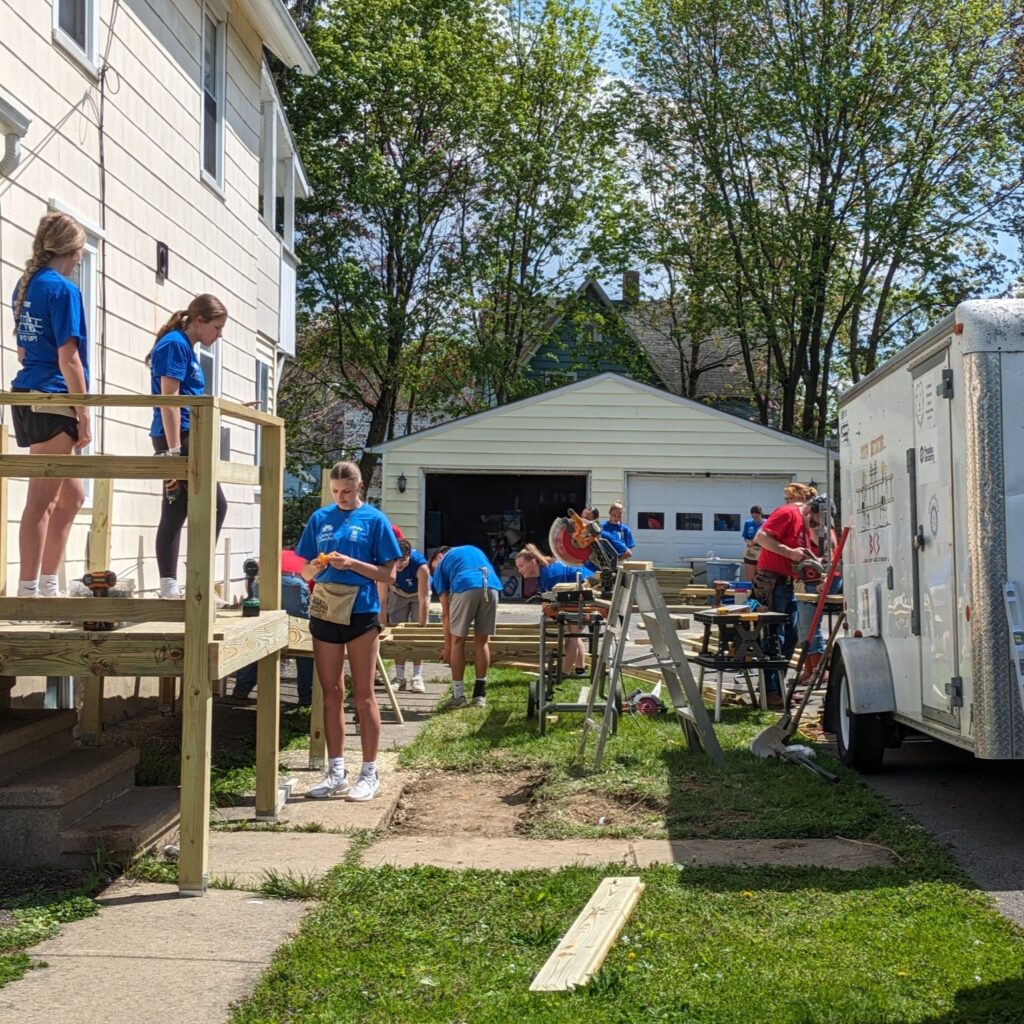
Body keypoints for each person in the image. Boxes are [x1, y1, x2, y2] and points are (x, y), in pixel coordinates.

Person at [295, 460, 401, 801]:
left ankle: (369, 772)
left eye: (347, 491)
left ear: (359, 489)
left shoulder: (374, 519)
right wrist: (319, 564)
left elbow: (389, 575)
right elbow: (304, 568)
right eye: (336, 492)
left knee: (364, 693)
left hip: (361, 610)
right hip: (326, 606)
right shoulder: (320, 518)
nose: (341, 497)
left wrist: (352, 563)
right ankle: (335, 770)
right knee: (330, 691)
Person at [11, 212, 90, 599]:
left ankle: (47, 584)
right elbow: (69, 358)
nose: (81, 259)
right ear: (73, 251)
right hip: (54, 399)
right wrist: (84, 410)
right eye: (81, 251)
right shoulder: (63, 289)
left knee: (73, 496)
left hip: (29, 394)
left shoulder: (27, 286)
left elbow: (24, 349)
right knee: (41, 501)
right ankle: (29, 593)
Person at [147, 295, 229, 599]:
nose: (219, 335)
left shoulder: (188, 348)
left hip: (188, 434)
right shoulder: (174, 344)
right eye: (217, 328)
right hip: (177, 437)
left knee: (180, 508)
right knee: (211, 506)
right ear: (199, 321)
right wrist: (172, 452)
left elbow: (191, 396)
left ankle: (182, 582)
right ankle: (186, 582)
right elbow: (169, 401)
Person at [752, 490, 820, 707]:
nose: (815, 527)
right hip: (771, 582)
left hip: (785, 583)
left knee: (790, 637)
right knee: (775, 637)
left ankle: (779, 690)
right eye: (816, 522)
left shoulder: (804, 522)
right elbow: (761, 537)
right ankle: (770, 691)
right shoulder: (788, 513)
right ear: (810, 509)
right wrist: (791, 554)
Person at [232, 549, 314, 704]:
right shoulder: (307, 558)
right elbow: (313, 589)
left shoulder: (273, 552)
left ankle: (241, 690)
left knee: (258, 635)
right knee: (304, 642)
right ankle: (306, 697)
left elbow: (250, 583)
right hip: (294, 583)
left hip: (263, 580)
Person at [430, 545, 502, 708]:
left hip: (465, 586)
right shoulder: (472, 551)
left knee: (458, 641)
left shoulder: (441, 565)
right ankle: (479, 696)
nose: (434, 571)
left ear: (439, 557)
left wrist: (447, 646)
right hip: (491, 586)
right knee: (482, 641)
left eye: (433, 565)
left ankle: (458, 696)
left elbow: (446, 613)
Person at [514, 544, 594, 677]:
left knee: (570, 635)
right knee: (574, 632)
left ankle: (564, 672)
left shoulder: (550, 577)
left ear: (533, 562)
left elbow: (557, 602)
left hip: (586, 592)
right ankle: (579, 669)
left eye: (521, 566)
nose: (519, 570)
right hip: (581, 593)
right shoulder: (545, 574)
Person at [796, 493, 842, 685]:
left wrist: (818, 567)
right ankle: (808, 670)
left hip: (821, 581)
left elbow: (830, 559)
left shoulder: (821, 530)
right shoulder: (814, 528)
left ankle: (818, 671)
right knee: (803, 627)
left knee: (809, 626)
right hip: (811, 580)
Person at [378, 538, 430, 692]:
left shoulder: (421, 567)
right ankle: (399, 676)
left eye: (403, 561)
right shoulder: (385, 565)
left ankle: (417, 676)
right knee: (397, 634)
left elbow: (424, 598)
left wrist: (422, 625)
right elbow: (382, 599)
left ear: (409, 556)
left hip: (417, 593)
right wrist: (383, 625)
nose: (399, 565)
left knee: (417, 634)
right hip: (397, 593)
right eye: (396, 561)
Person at [741, 505, 765, 582]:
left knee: (761, 575)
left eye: (756, 513)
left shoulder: (766, 523)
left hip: (763, 550)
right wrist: (749, 542)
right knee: (750, 577)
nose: (754, 515)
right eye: (752, 513)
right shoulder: (748, 523)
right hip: (751, 550)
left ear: (761, 513)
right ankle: (750, 591)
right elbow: (745, 536)